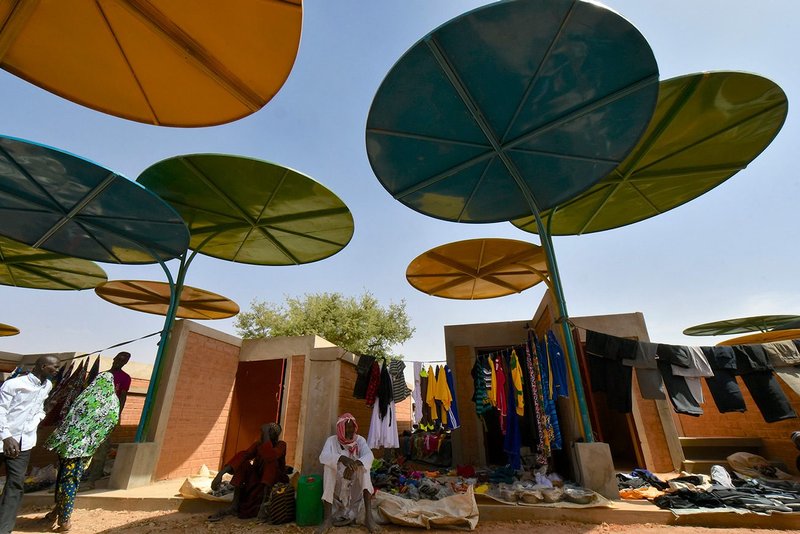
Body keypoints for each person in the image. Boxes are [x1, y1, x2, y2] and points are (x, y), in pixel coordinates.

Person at [43, 371, 120, 532]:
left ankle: (64, 520)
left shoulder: (86, 397)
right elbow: (111, 424)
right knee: (70, 481)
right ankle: (58, 512)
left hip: (68, 447)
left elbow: (69, 420)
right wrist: (94, 441)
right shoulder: (113, 403)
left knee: (65, 481)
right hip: (86, 449)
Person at [0, 355, 59, 534]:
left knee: (16, 485)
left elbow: (39, 408)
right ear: (42, 366)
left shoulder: (47, 386)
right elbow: (1, 409)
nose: (57, 370)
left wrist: (42, 415)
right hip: (4, 439)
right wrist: (6, 436)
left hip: (23, 444)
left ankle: (4, 529)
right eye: (54, 367)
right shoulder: (13, 385)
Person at [207, 422, 288, 522]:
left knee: (270, 462)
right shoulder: (258, 445)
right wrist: (220, 474)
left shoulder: (281, 445)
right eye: (264, 432)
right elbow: (243, 456)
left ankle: (264, 504)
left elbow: (269, 455)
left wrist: (266, 433)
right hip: (257, 482)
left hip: (272, 483)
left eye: (268, 433)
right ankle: (234, 505)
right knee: (243, 463)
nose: (264, 435)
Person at [316, 413, 380, 534]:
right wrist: (342, 459)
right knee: (328, 468)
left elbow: (369, 455)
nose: (350, 430)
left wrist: (356, 465)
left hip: (355, 488)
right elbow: (323, 457)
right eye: (347, 427)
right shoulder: (331, 441)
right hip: (338, 487)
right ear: (340, 428)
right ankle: (327, 519)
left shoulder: (360, 440)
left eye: (352, 427)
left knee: (364, 469)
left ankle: (368, 517)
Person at [81, 351, 131, 490]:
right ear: (114, 358)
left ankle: (92, 478)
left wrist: (117, 415)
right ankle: (81, 475)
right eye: (120, 358)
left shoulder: (125, 377)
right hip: (93, 415)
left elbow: (122, 396)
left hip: (108, 416)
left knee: (102, 447)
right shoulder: (102, 375)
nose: (121, 361)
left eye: (125, 359)